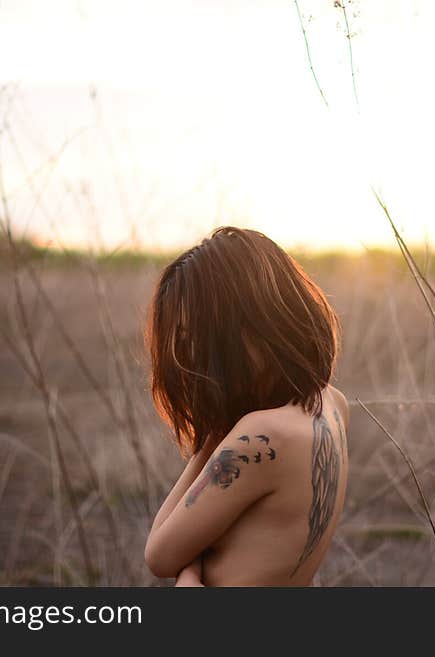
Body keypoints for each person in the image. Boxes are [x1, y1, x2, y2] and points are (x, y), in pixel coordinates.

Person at [143, 226, 349, 586]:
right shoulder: (332, 403)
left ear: (252, 324)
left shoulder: (261, 436)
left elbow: (160, 554)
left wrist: (191, 568)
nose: (193, 359)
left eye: (199, 339)